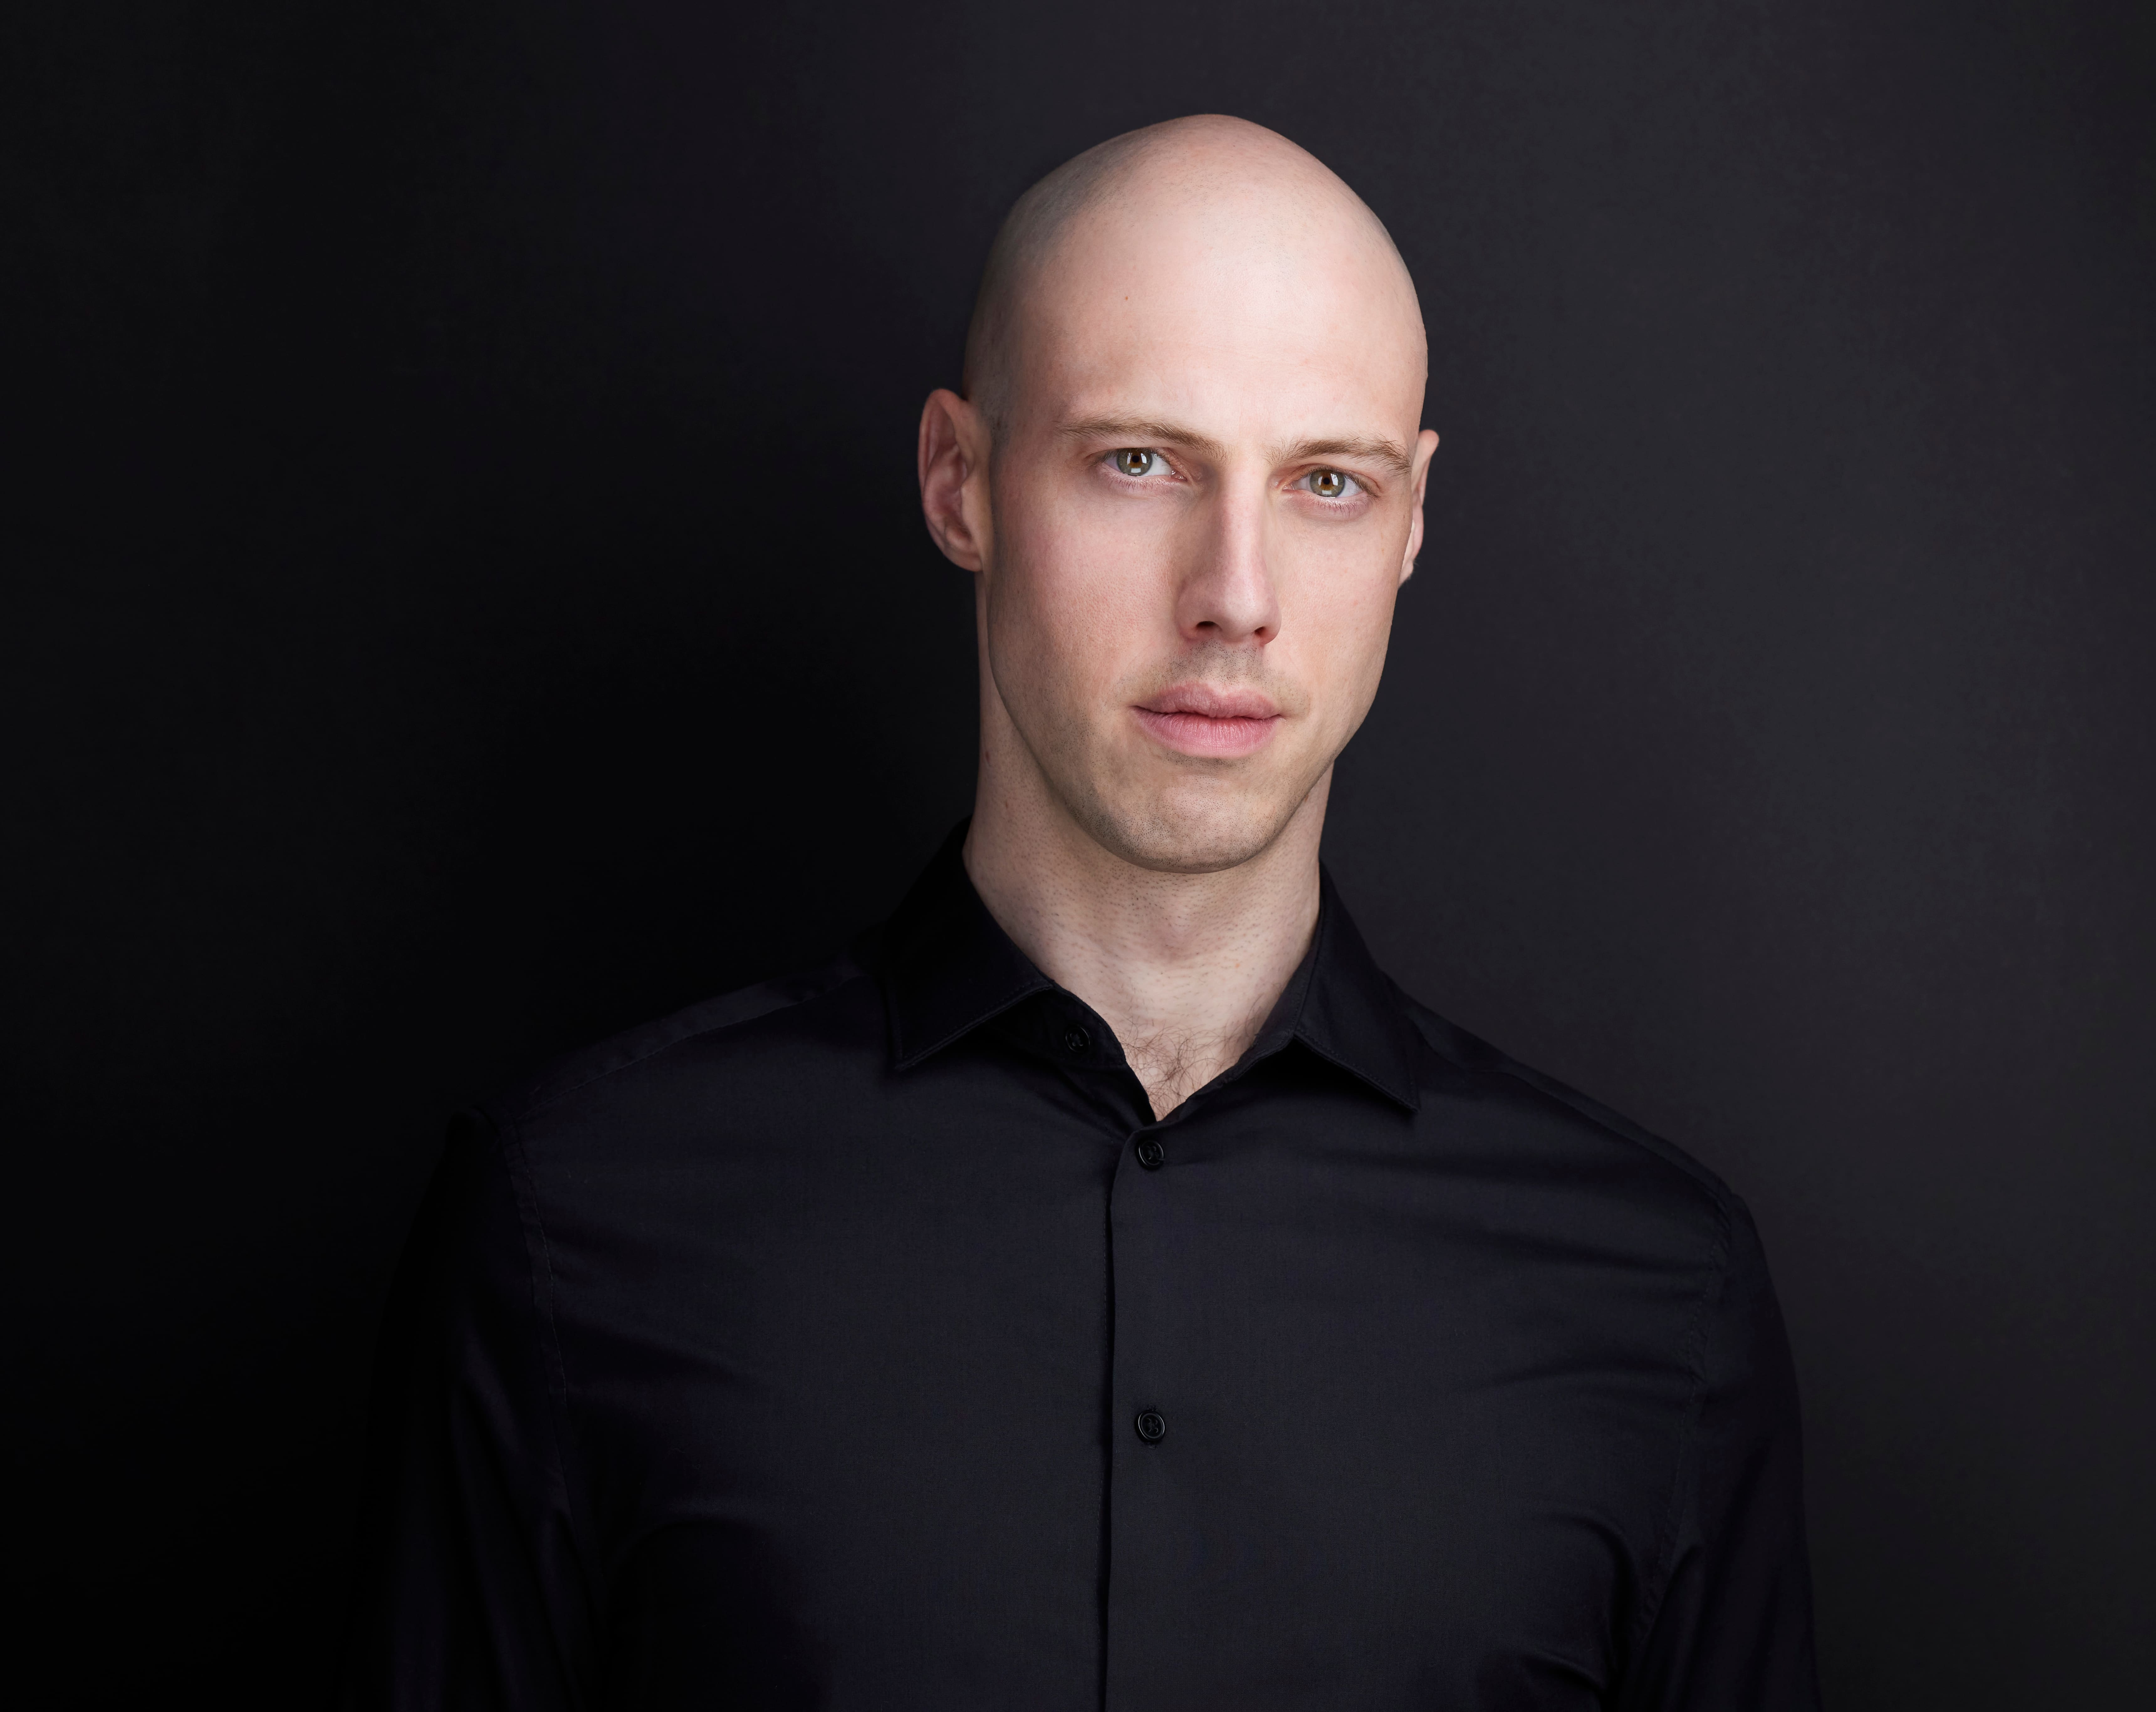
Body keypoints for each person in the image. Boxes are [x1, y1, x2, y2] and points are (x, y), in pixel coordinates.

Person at [344, 115, 1819, 1710]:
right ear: (957, 480)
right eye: (1140, 461)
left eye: (1326, 480)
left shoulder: (1657, 1296)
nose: (1234, 592)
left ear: (1408, 523)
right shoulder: (573, 1225)